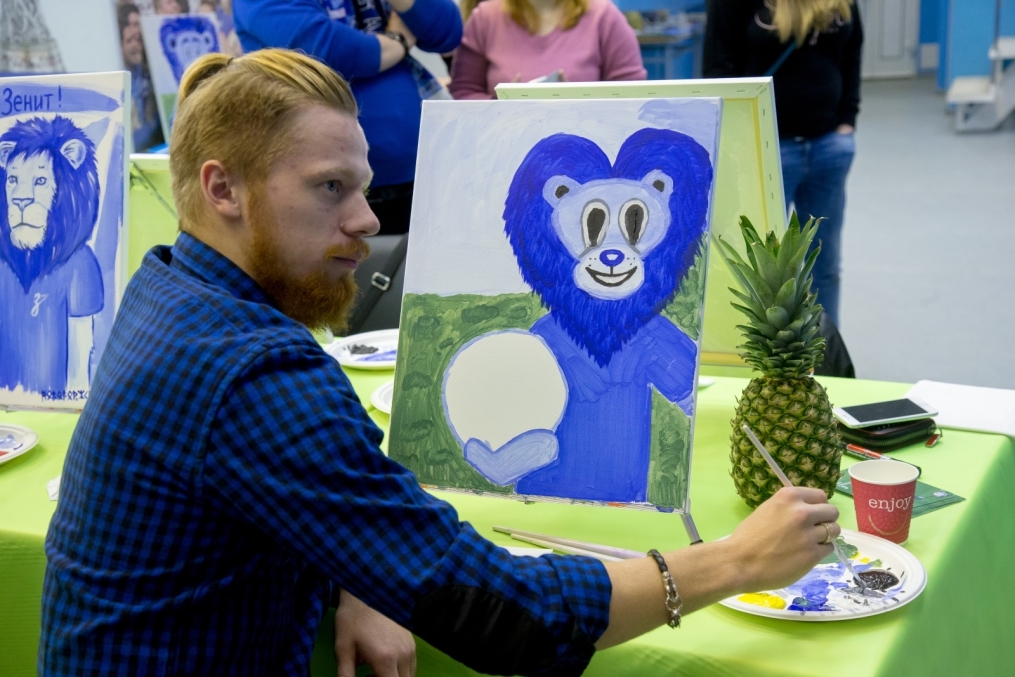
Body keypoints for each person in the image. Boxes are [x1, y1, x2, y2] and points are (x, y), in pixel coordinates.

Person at [40, 49, 841, 676]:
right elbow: (508, 615)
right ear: (223, 189)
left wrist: (361, 572)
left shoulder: (171, 288)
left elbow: (302, 481)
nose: (363, 219)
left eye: (361, 187)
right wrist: (734, 559)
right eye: (328, 188)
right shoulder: (252, 374)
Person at [232, 0, 462, 235]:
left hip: (421, 176)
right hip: (325, 187)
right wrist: (398, 41)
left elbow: (447, 32)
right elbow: (323, 51)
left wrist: (389, 45)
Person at [703, 0, 862, 327]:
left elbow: (852, 53)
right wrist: (740, 143)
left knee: (825, 266)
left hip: (829, 146)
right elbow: (719, 68)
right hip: (765, 149)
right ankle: (769, 368)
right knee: (762, 271)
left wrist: (848, 121)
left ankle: (825, 358)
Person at [450, 0, 646, 99]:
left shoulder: (605, 17)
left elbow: (634, 95)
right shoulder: (485, 18)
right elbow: (463, 92)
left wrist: (580, 104)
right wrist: (501, 105)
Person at [118, 2, 165, 151]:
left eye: (138, 40)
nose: (135, 46)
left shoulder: (147, 74)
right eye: (129, 41)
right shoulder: (120, 75)